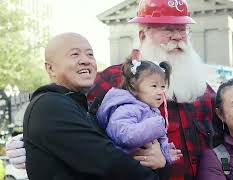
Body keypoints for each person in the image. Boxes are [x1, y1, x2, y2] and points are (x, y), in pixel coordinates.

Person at [6, 0, 220, 179]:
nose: (177, 37)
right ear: (143, 35)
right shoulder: (112, 80)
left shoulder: (203, 88)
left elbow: (232, 138)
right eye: (167, 29)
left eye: (182, 29)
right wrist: (27, 143)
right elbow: (76, 126)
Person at [21, 32, 161, 180]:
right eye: (75, 54)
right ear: (50, 69)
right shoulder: (48, 106)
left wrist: (158, 156)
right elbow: (106, 160)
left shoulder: (83, 107)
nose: (85, 60)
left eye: (90, 54)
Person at [97, 59, 182, 164]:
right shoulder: (127, 108)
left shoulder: (153, 111)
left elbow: (158, 138)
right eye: (154, 86)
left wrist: (166, 153)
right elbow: (123, 135)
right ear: (133, 85)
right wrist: (153, 125)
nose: (160, 92)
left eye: (163, 86)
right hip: (124, 167)